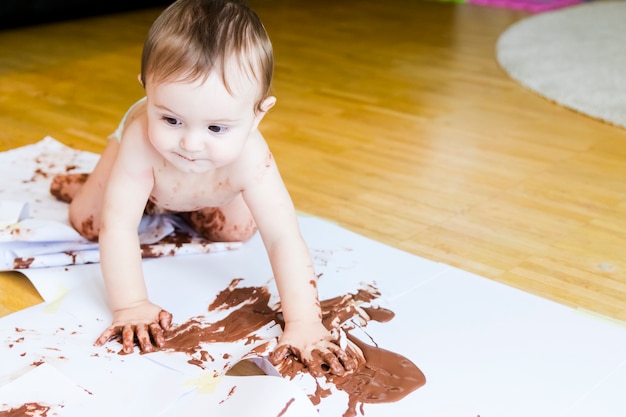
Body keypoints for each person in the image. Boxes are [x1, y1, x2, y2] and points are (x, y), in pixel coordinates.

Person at [51, 0, 356, 376]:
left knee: (236, 230)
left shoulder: (250, 156)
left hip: (205, 182)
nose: (191, 144)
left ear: (258, 114)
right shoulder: (140, 138)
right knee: (90, 221)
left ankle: (171, 198)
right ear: (147, 93)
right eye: (171, 119)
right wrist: (130, 304)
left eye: (216, 128)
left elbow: (283, 238)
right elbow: (120, 228)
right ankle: (102, 184)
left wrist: (305, 323)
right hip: (143, 169)